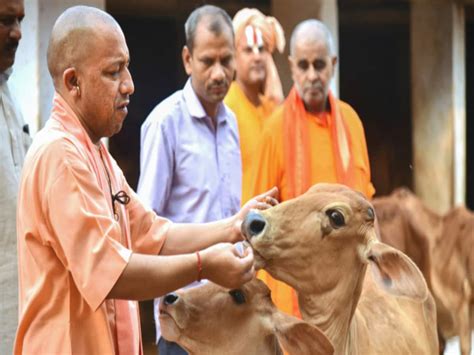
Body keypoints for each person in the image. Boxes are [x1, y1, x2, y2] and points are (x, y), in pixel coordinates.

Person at [14, 6, 276, 354]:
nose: (129, 85)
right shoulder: (60, 156)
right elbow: (114, 274)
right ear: (73, 82)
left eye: (127, 67)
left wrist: (233, 226)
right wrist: (204, 265)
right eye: (113, 72)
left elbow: (154, 234)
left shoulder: (98, 155)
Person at [249, 19, 375, 318]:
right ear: (291, 67)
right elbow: (255, 219)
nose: (312, 75)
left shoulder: (352, 122)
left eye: (319, 65)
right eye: (303, 66)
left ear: (333, 64)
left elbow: (367, 212)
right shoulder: (274, 130)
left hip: (350, 297)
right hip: (290, 297)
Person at [137, 5, 242, 354]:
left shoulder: (232, 125)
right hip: (182, 320)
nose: (218, 73)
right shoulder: (165, 124)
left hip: (230, 314)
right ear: (187, 59)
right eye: (207, 61)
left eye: (226, 60)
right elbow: (144, 232)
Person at [224, 8, 285, 204]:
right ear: (234, 56)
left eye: (262, 50)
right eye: (249, 50)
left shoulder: (272, 107)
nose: (257, 57)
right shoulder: (226, 105)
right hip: (238, 223)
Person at [0, 0, 30, 353]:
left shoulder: (10, 94)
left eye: (20, 20)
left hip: (18, 304)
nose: (18, 32)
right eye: (6, 21)